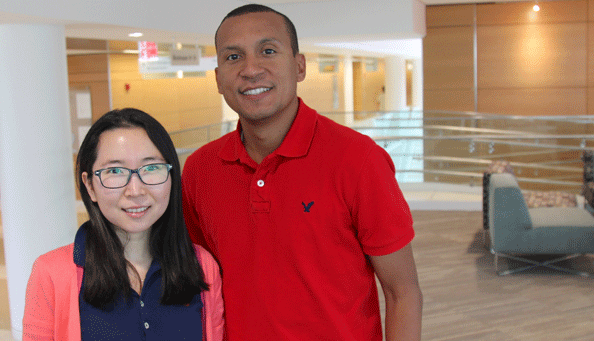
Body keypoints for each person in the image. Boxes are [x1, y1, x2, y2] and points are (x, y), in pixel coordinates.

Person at [182, 4, 422, 341]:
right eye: (233, 57)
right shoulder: (199, 170)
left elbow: (403, 293)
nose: (251, 69)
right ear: (219, 78)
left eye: (268, 51)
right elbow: (199, 284)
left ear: (299, 66)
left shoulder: (359, 160)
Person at [23, 108, 224, 340]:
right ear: (90, 186)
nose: (135, 191)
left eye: (151, 168)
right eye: (115, 171)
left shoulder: (202, 266)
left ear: (171, 176)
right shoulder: (51, 274)